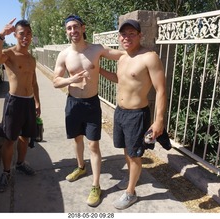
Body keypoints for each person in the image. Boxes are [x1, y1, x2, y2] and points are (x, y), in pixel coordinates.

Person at [53, 15, 124, 207]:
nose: (73, 31)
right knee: (77, 139)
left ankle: (96, 186)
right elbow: (55, 81)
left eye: (76, 27)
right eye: (69, 28)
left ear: (83, 28)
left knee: (93, 145)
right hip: (73, 103)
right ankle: (81, 167)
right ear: (66, 31)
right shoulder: (64, 55)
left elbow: (120, 55)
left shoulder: (96, 49)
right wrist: (70, 80)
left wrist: (139, 53)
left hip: (92, 103)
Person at [100, 19, 167, 209]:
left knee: (135, 154)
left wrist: (158, 120)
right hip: (120, 112)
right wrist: (100, 71)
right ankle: (131, 179)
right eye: (123, 34)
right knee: (127, 151)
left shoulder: (149, 57)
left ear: (140, 35)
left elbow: (161, 90)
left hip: (137, 115)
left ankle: (130, 193)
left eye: (131, 33)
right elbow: (120, 79)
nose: (126, 37)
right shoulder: (123, 57)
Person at [0, 18, 41, 193]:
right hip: (14, 102)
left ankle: (20, 164)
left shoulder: (31, 58)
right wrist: (1, 35)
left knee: (25, 137)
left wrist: (37, 102)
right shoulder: (10, 54)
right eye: (21, 34)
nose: (25, 37)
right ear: (15, 35)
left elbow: (34, 82)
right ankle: (5, 173)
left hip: (28, 102)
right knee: (9, 139)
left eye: (28, 34)